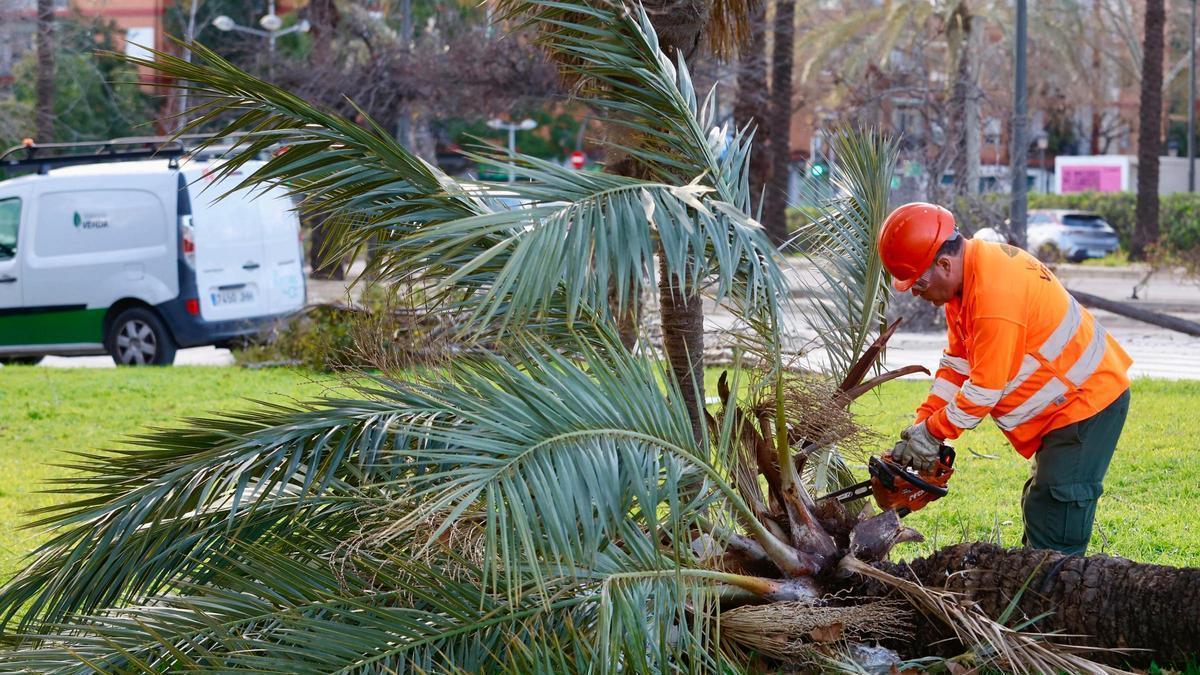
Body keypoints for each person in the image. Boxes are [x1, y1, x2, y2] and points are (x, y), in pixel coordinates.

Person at [879, 202, 1132, 556]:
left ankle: (1056, 584)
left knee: (1058, 505)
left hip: (1087, 401)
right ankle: (1038, 576)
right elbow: (957, 365)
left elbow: (984, 390)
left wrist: (933, 433)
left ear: (945, 264)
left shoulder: (993, 297)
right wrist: (921, 426)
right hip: (1066, 402)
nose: (918, 294)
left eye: (918, 284)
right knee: (1041, 501)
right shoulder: (966, 284)